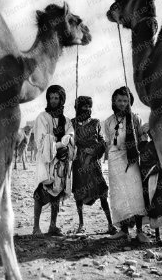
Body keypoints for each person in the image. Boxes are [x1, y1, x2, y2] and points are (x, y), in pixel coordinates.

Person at [104, 86, 150, 242]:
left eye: (125, 100)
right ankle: (123, 230)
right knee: (119, 195)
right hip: (114, 160)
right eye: (119, 100)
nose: (122, 103)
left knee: (135, 193)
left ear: (130, 102)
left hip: (131, 159)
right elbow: (108, 142)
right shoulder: (109, 121)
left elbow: (144, 139)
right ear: (114, 101)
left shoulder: (135, 118)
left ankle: (139, 231)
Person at [32, 85, 75, 236]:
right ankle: (36, 227)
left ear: (62, 99)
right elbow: (41, 140)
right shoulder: (42, 117)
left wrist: (67, 140)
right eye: (51, 98)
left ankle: (52, 226)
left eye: (57, 98)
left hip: (61, 162)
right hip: (46, 161)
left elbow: (71, 134)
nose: (54, 101)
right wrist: (57, 145)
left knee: (57, 191)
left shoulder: (66, 120)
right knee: (40, 192)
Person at [72, 96, 117, 235]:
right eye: (84, 106)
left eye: (89, 106)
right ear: (78, 108)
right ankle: (81, 225)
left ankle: (110, 224)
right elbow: (70, 142)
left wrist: (93, 151)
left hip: (94, 163)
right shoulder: (72, 123)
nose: (87, 109)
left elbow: (102, 141)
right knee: (79, 193)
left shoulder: (96, 123)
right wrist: (80, 150)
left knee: (102, 191)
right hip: (78, 163)